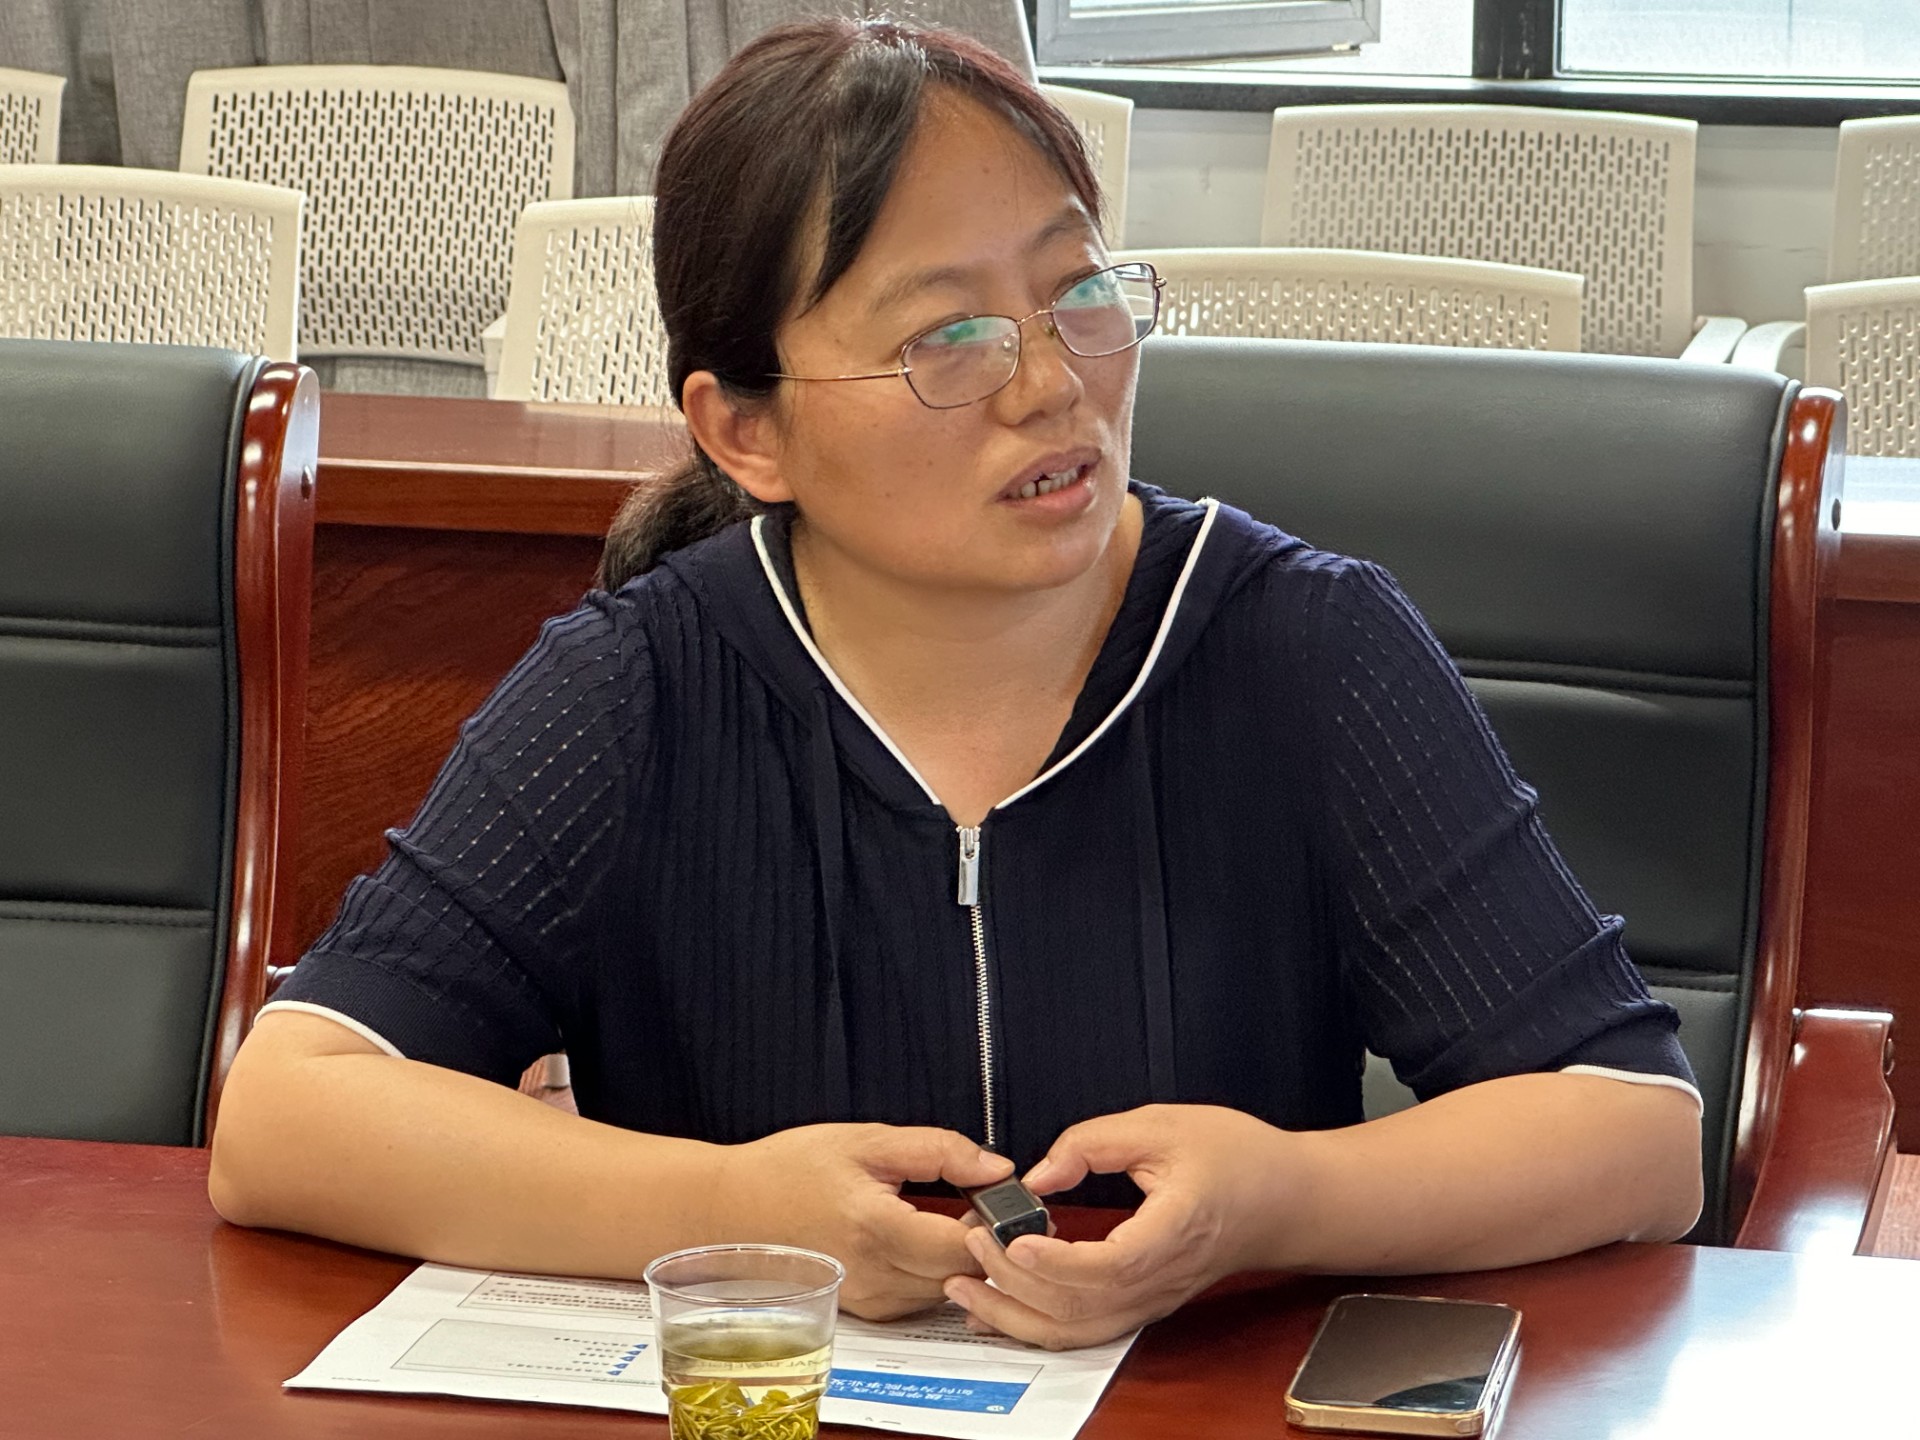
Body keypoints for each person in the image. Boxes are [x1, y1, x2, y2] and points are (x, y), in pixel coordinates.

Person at [210, 17, 1703, 1351]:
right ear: (746, 433)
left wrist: (1284, 1199)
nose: (1052, 383)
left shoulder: (1302, 647)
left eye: (1079, 292)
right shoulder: (640, 686)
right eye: (949, 340)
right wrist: (734, 1208)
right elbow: (289, 1111)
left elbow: (1634, 1132)